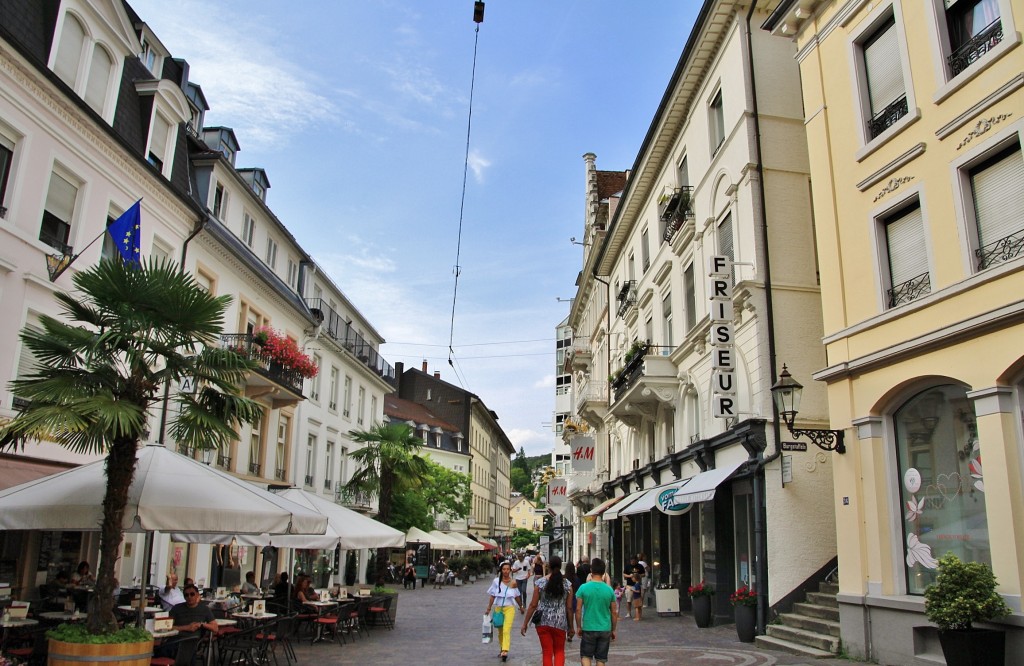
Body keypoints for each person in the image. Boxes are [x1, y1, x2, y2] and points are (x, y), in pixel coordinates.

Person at [521, 555, 574, 666]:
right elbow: (569, 607)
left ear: (548, 567)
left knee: (547, 652)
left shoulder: (540, 583)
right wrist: (571, 627)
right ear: (560, 566)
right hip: (560, 621)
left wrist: (525, 623)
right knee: (559, 651)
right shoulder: (567, 585)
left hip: (543, 621)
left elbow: (533, 605)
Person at [157, 583, 219, 659]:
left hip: (193, 642)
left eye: (192, 594)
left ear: (197, 595)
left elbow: (215, 628)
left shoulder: (205, 609)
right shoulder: (177, 608)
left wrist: (201, 624)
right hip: (175, 640)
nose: (189, 597)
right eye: (186, 595)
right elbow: (167, 627)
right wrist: (186, 627)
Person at [575, 558, 617, 666]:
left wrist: (579, 626)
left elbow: (578, 609)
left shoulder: (583, 588)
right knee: (601, 659)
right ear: (604, 572)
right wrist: (613, 629)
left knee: (585, 656)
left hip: (589, 627)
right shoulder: (609, 590)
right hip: (605, 628)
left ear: (591, 570)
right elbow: (614, 612)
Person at [485, 560, 523, 662]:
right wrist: (488, 608)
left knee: (507, 629)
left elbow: (517, 595)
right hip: (498, 608)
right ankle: (502, 647)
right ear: (501, 570)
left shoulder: (513, 582)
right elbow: (492, 595)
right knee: (500, 630)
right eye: (504, 569)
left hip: (509, 608)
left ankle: (505, 650)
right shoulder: (496, 581)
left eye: (507, 569)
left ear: (510, 570)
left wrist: (521, 606)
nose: (506, 571)